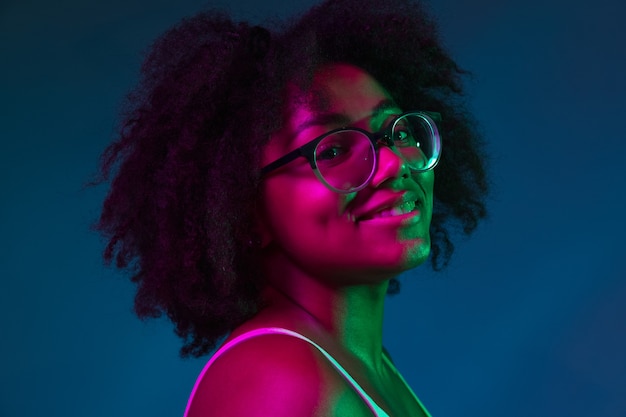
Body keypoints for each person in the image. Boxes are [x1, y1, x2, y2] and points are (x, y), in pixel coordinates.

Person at [96, 0, 488, 415]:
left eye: (398, 130)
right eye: (335, 149)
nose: (394, 162)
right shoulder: (277, 382)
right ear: (244, 209)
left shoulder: (357, 363)